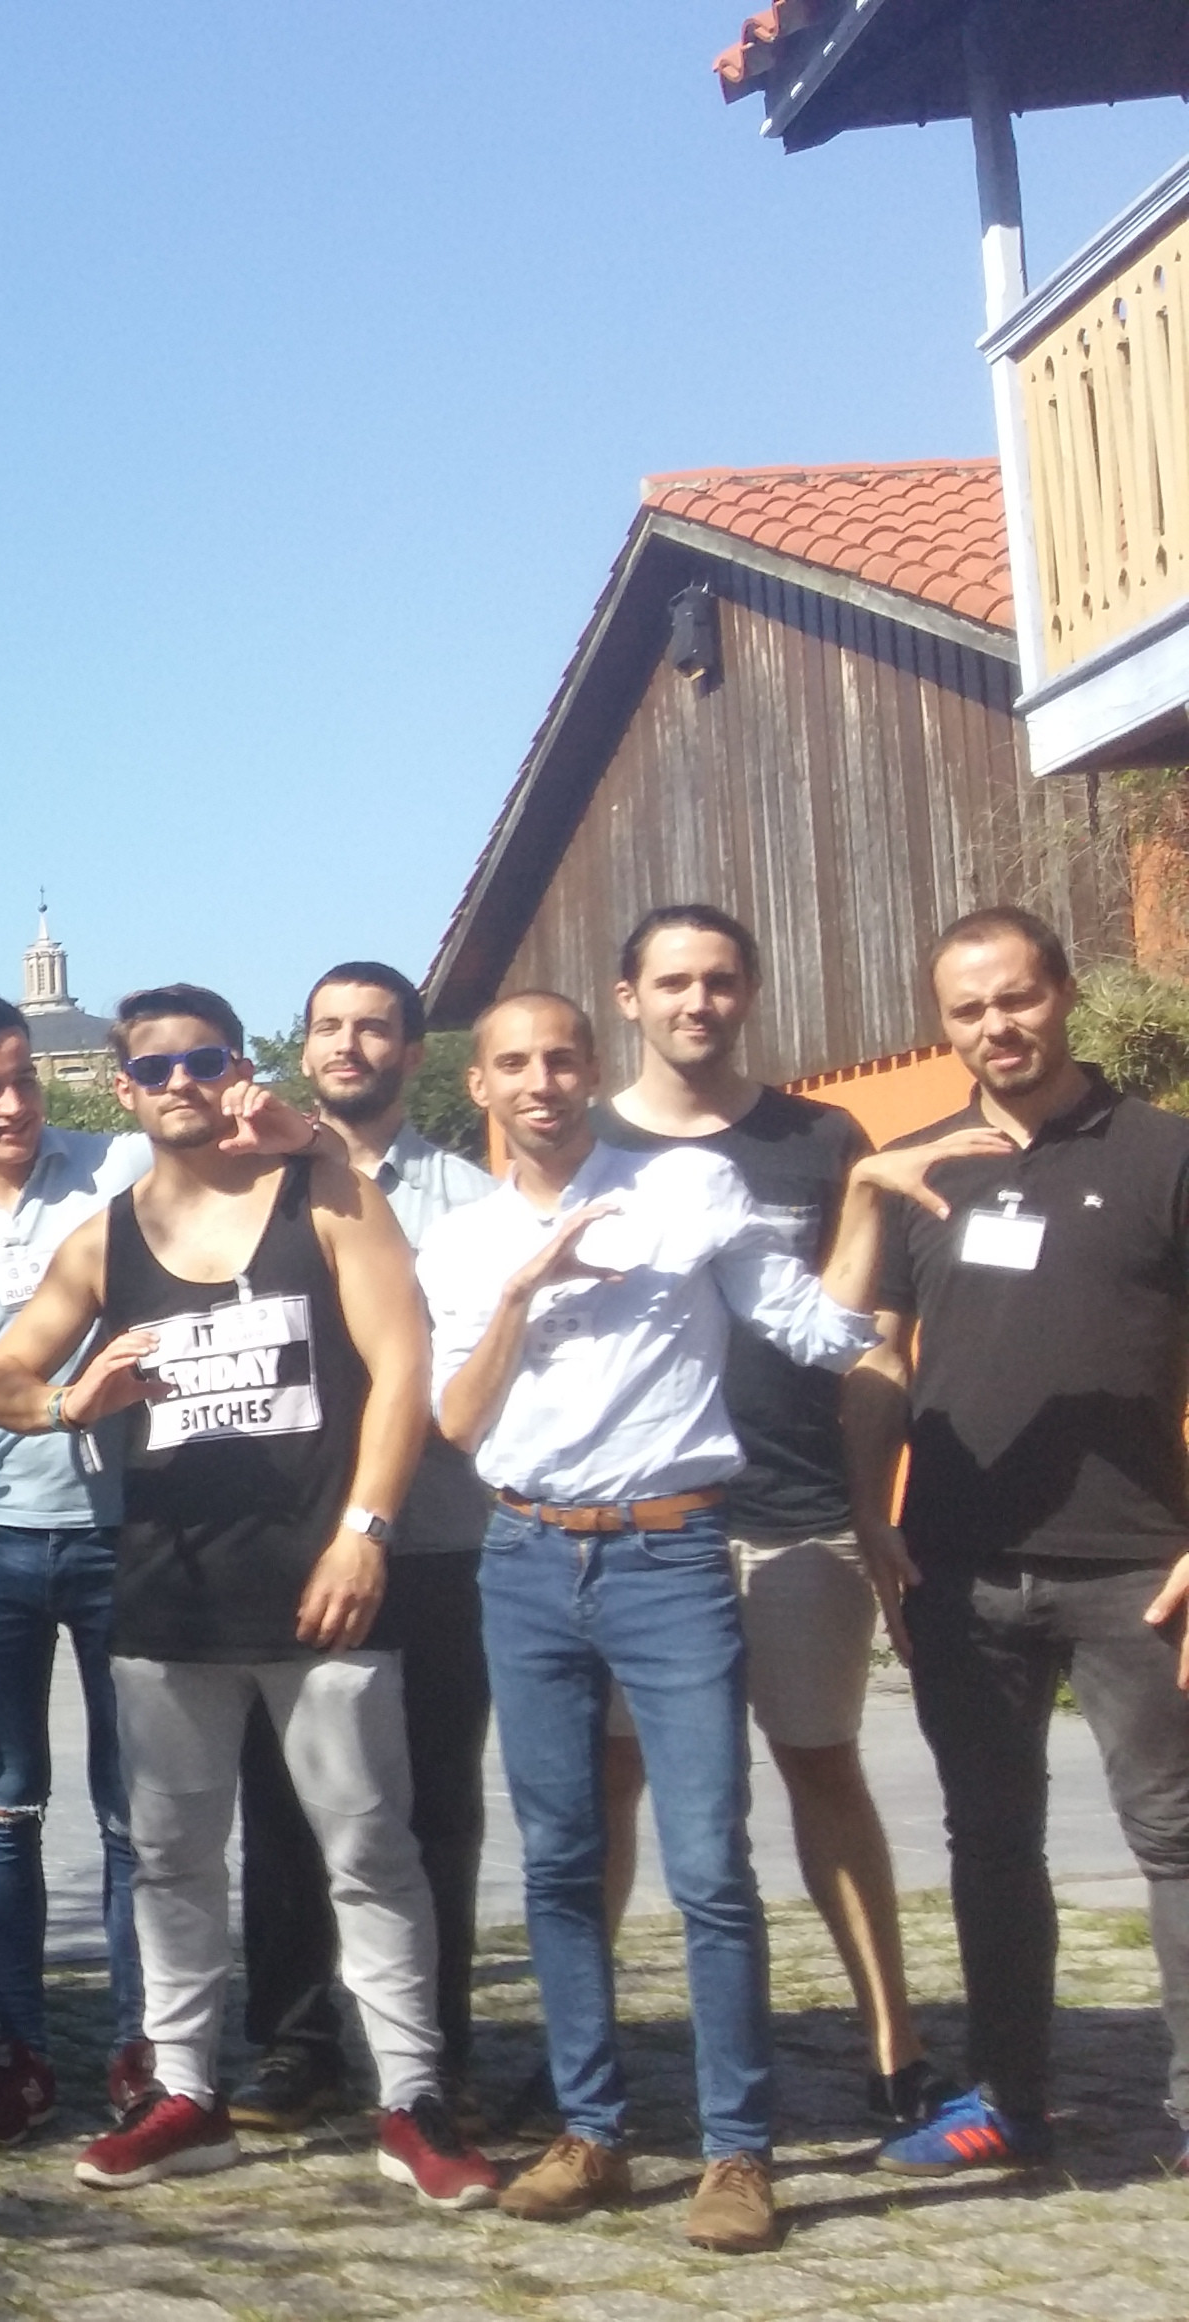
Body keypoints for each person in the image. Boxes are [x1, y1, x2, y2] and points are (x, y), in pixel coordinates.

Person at [415, 989, 936, 2251]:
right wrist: (527, 1291)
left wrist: (900, 1242)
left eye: (561, 1059)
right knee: (557, 1863)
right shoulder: (460, 1239)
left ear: (595, 1069)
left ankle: (737, 2155)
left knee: (709, 1865)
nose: (540, 1081)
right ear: (480, 1087)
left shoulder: (685, 1187)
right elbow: (458, 1421)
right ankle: (591, 2133)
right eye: (513, 1065)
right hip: (528, 1556)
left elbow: (803, 1321)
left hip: (670, 1551)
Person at [0, 983, 490, 2211]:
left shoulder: (326, 1197)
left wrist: (367, 1531)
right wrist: (68, 1404)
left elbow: (404, 1361)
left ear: (236, 1066)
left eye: (204, 1060)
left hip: (322, 1585)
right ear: (127, 1088)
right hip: (170, 1592)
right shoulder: (108, 1237)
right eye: (156, 1069)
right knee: (170, 1857)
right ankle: (188, 2092)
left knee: (368, 1844)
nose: (182, 1083)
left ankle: (411, 2097)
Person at [578, 906, 946, 2131]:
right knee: (614, 1779)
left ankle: (895, 2049)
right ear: (626, 997)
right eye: (673, 982)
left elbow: (871, 1347)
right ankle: (596, 2057)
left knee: (821, 1765)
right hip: (633, 1522)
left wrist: (871, 1512)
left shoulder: (820, 1139)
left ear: (749, 994)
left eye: (721, 981)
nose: (699, 1002)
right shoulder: (581, 1142)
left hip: (794, 1518)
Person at [851, 907, 1189, 2180]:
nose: (996, 1027)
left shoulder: (1164, 1154)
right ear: (945, 1023)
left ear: (1063, 995)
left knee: (1176, 1839)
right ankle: (1007, 2098)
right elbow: (877, 1352)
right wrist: (868, 1510)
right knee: (990, 1842)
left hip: (1138, 1569)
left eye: (1017, 998)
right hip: (959, 1567)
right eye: (967, 1009)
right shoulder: (922, 1166)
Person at [230, 964, 506, 2133]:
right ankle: (295, 2045)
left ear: (416, 1050)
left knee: (435, 1802)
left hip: (434, 1538)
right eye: (330, 1027)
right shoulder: (245, 1186)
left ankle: (433, 2049)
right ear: (303, 1046)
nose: (350, 1046)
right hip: (286, 1541)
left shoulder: (468, 1200)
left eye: (375, 1028)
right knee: (286, 1805)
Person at [0, 993, 153, 2143]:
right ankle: (21, 2047)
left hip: (119, 1530)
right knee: (7, 1804)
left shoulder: (116, 1167)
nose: (11, 1104)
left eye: (22, 1080)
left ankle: (141, 2041)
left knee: (130, 1810)